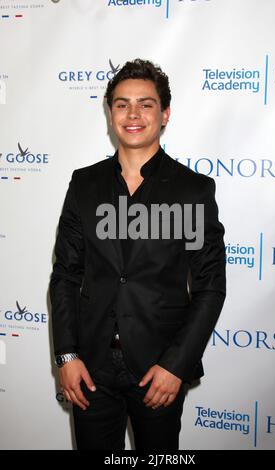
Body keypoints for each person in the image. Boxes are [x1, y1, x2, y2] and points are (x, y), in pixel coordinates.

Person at [49, 58, 226, 451]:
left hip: (159, 369)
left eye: (145, 104)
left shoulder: (192, 190)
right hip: (89, 368)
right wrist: (66, 355)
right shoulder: (84, 184)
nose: (133, 114)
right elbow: (65, 274)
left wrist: (176, 365)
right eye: (122, 104)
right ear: (110, 113)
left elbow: (210, 286)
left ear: (164, 115)